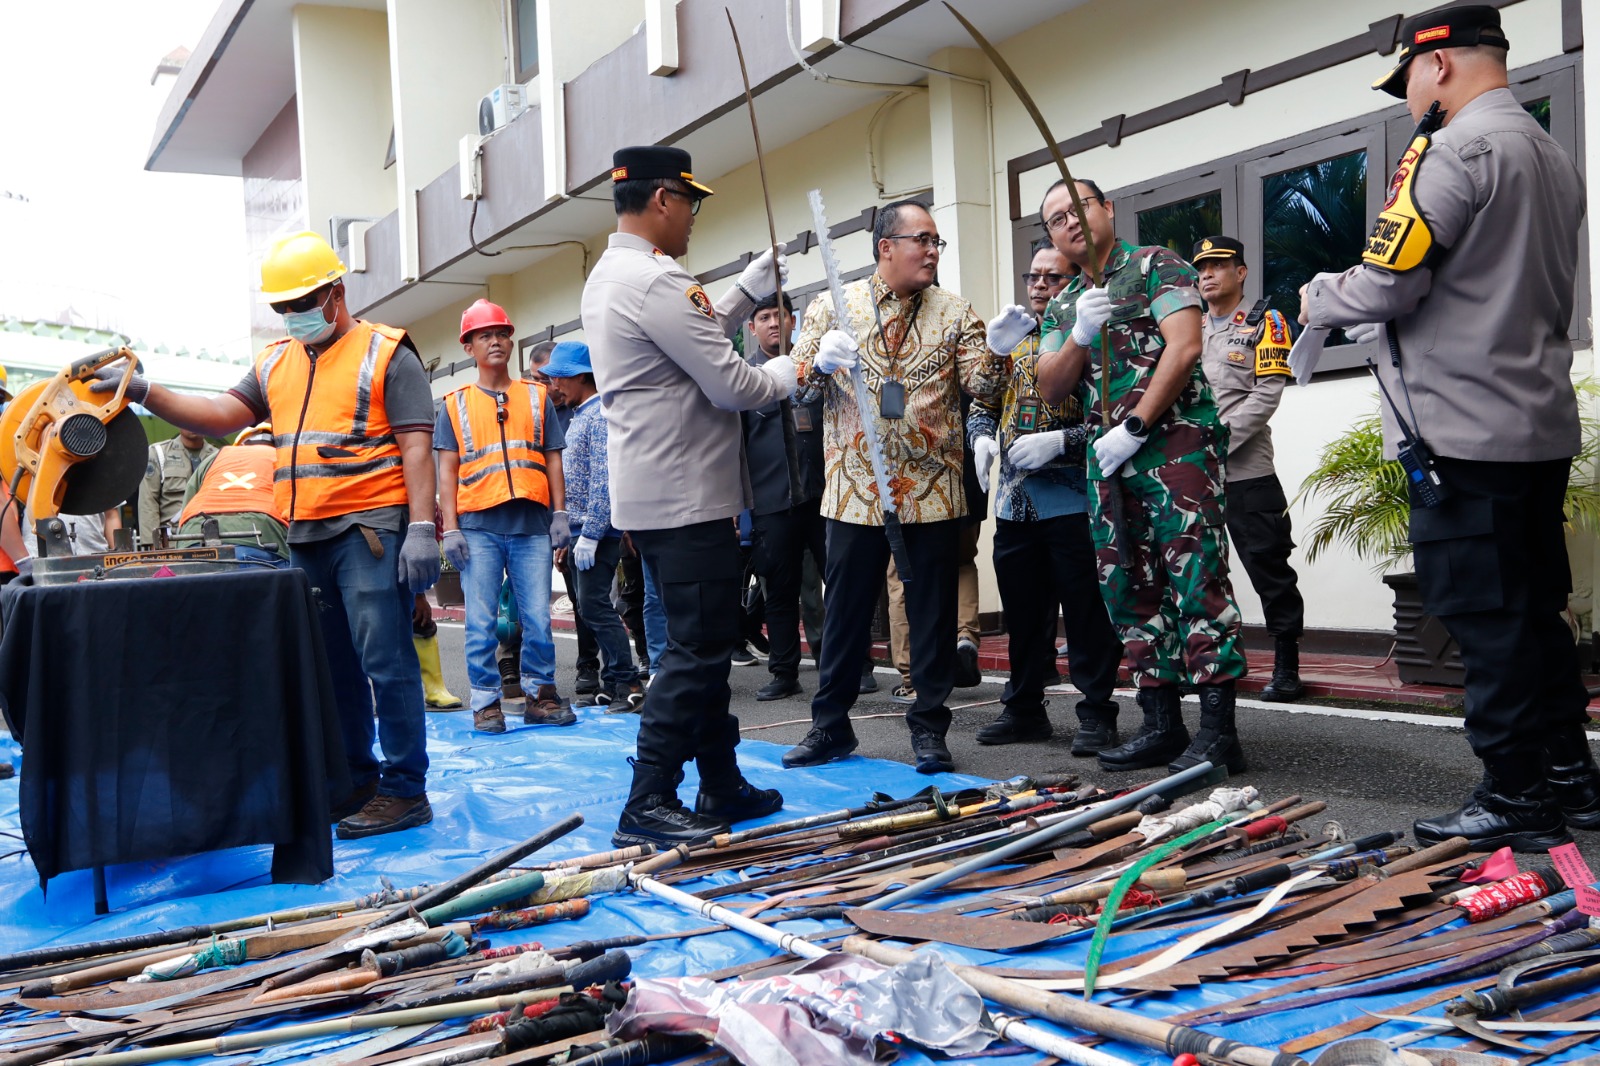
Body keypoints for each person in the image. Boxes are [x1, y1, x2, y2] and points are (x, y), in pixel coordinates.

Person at [1300, 4, 1587, 851]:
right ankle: (1570, 776)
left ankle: (1516, 794)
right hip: (1535, 422)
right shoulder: (1549, 150)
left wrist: (1319, 293)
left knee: (1484, 618)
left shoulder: (1453, 148)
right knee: (1536, 613)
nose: (1407, 100)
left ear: (1441, 65)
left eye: (1408, 82)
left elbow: (1390, 284)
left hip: (1460, 431)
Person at [95, 231, 441, 839]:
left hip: (369, 528)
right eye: (282, 307)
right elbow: (222, 416)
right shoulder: (277, 362)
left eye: (302, 301)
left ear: (336, 292)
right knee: (333, 667)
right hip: (304, 534)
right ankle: (357, 778)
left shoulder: (388, 353)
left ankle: (406, 788)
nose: (292, 315)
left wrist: (421, 526)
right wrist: (147, 392)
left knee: (384, 661)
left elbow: (416, 445)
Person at [581, 144, 795, 847]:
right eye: (691, 202)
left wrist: (742, 291)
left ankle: (721, 780)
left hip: (662, 492)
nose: (696, 216)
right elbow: (729, 381)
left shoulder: (618, 275)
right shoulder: (653, 282)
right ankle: (649, 798)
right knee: (697, 651)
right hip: (687, 494)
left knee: (702, 641)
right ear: (663, 200)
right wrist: (793, 372)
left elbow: (687, 335)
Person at [784, 198, 1009, 775]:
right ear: (886, 247)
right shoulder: (833, 306)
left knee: (932, 617)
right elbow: (798, 391)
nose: (933, 251)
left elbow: (982, 386)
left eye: (937, 242)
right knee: (846, 616)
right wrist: (818, 364)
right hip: (853, 492)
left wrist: (1002, 353)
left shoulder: (956, 313)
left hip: (933, 492)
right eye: (922, 240)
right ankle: (829, 726)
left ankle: (930, 729)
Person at [1034, 178, 1249, 776]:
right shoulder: (1065, 299)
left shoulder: (1156, 265)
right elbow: (1051, 387)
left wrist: (1135, 423)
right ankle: (1160, 725)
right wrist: (1078, 332)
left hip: (1174, 446)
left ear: (1105, 208)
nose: (1069, 222)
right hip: (1108, 464)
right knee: (1127, 586)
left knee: (1196, 580)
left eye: (1077, 208)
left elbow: (1183, 347)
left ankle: (1218, 732)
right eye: (1054, 220)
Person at [969, 245, 1124, 752]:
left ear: (1073, 279)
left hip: (1074, 500)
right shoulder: (1014, 334)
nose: (1038, 285)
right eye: (1031, 275)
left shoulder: (1093, 334)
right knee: (1023, 614)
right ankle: (1024, 709)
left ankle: (1097, 712)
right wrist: (981, 438)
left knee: (1084, 613)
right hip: (1014, 503)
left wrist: (1064, 441)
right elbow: (981, 401)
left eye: (1051, 276)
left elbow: (1114, 417)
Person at [436, 300, 576, 735]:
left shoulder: (537, 397)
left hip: (532, 526)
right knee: (480, 622)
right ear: (470, 347)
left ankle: (541, 695)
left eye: (500, 333)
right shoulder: (455, 405)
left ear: (511, 341)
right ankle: (485, 704)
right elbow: (446, 470)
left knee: (537, 617)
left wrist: (559, 512)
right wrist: (451, 527)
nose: (494, 341)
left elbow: (553, 458)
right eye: (484, 335)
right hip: (478, 528)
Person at [1194, 236, 1306, 702]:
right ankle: (1214, 662)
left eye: (1218, 265)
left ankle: (1286, 664)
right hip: (1193, 477)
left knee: (1268, 567)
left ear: (1241, 272)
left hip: (1246, 473)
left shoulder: (1267, 322)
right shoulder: (1187, 326)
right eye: (1202, 268)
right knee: (1200, 570)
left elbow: (1266, 395)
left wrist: (1217, 444)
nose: (1207, 275)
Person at [541, 341, 643, 713]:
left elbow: (603, 480)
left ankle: (627, 680)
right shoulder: (582, 414)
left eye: (561, 378)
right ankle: (614, 681)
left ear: (581, 376)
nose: (555, 385)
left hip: (596, 532)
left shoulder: (599, 415)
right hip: (583, 532)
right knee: (588, 605)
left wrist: (592, 533)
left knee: (596, 605)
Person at [741, 292, 826, 702]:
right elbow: (735, 448)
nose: (774, 323)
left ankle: (852, 665)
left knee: (842, 584)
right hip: (771, 503)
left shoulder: (816, 370)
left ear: (794, 321)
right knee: (779, 592)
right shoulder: (743, 380)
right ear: (752, 327)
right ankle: (783, 671)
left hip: (824, 497)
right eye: (764, 316)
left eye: (781, 315)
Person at [175, 422, 288, 566]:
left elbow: (187, 506)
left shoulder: (217, 457)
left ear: (241, 444)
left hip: (196, 535)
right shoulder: (284, 458)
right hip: (261, 539)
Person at [138, 429, 217, 548]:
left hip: (211, 540)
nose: (194, 423)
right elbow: (148, 501)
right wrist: (153, 544)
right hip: (172, 541)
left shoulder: (218, 456)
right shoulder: (158, 453)